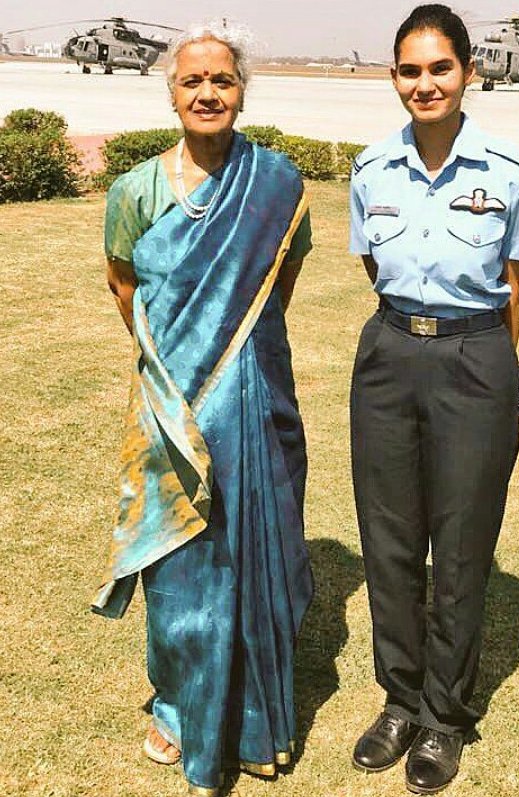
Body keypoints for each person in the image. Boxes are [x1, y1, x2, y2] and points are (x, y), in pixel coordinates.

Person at [93, 21, 313, 797]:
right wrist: (178, 367)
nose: (208, 92)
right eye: (193, 81)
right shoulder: (136, 190)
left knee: (259, 557)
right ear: (172, 93)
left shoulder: (276, 184)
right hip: (169, 409)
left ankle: (255, 718)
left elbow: (275, 290)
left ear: (241, 91)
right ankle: (180, 710)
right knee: (179, 567)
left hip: (254, 404)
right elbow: (125, 287)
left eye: (222, 79)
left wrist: (230, 360)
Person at [349, 4, 519, 793]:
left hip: (475, 354)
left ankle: (442, 715)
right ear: (392, 76)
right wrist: (410, 330)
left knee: (460, 542)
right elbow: (374, 269)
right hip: (390, 354)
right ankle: (398, 698)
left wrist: (490, 372)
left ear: (468, 71)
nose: (423, 83)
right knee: (388, 537)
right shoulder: (370, 170)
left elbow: (513, 288)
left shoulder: (510, 169)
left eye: (439, 67)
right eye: (409, 68)